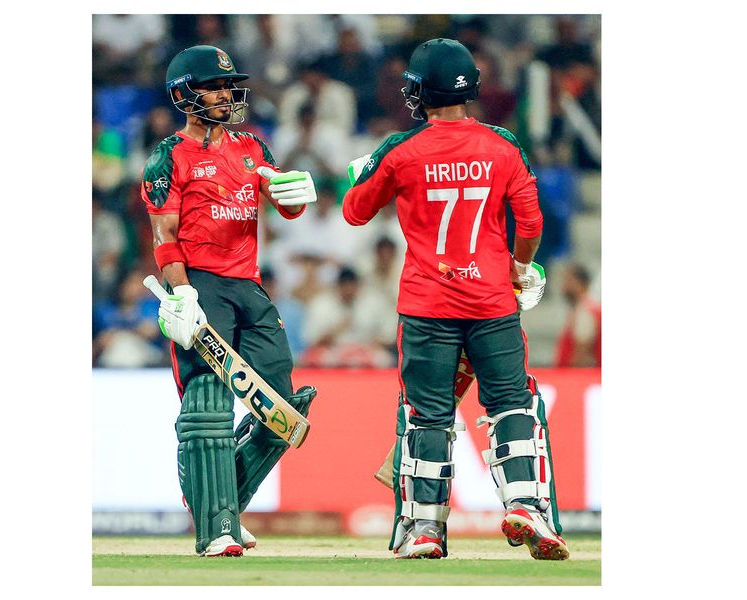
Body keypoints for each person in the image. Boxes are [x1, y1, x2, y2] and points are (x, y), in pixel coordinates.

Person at [342, 38, 568, 560]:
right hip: (492, 301)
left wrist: (364, 170)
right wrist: (518, 267)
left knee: (427, 416)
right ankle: (526, 505)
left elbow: (354, 212)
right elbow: (531, 222)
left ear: (421, 90)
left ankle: (424, 528)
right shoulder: (502, 144)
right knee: (512, 403)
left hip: (427, 304)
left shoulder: (400, 149)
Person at [140, 45, 318, 557]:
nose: (224, 94)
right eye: (213, 87)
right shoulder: (168, 156)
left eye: (227, 86)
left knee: (282, 408)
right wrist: (182, 292)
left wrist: (293, 197)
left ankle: (222, 504)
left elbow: (283, 205)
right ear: (183, 95)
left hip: (247, 285)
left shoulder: (252, 147)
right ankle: (216, 526)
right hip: (201, 286)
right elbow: (164, 236)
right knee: (208, 406)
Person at [555, 263, 601, 367]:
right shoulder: (584, 308)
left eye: (568, 280)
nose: (564, 286)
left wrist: (570, 374)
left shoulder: (585, 310)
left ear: (579, 283)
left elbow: (582, 352)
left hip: (574, 373)